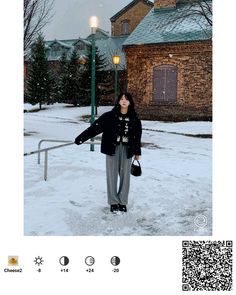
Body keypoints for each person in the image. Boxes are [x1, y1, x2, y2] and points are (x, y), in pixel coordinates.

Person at [74, 93, 142, 213]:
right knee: (111, 176)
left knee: (125, 177)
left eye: (126, 99)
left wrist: (137, 152)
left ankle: (122, 202)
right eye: (121, 99)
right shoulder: (109, 116)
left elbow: (137, 137)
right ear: (118, 102)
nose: (124, 101)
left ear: (130, 102)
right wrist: (81, 138)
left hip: (127, 149)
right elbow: (95, 128)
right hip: (112, 148)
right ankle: (113, 202)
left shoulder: (135, 118)